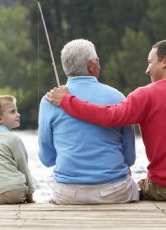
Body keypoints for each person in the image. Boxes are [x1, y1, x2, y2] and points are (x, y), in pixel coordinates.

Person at [46, 39, 166, 201]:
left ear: (165, 61)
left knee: (137, 187)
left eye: (150, 62)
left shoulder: (147, 94)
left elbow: (110, 116)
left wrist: (67, 101)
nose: (147, 69)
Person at [38, 39, 139, 204]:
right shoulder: (117, 97)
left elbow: (47, 159)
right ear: (92, 65)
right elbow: (130, 158)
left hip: (68, 194)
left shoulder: (48, 100)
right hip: (114, 192)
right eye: (98, 61)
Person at [0, 95, 35, 204]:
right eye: (13, 112)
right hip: (14, 192)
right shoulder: (14, 139)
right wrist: (30, 195)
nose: (18, 114)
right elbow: (23, 167)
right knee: (17, 187)